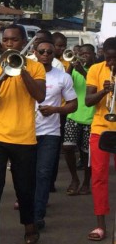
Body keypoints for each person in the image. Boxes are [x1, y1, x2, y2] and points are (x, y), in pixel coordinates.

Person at [0, 24, 46, 244]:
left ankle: (29, 224)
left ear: (23, 42)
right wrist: (3, 76)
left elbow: (40, 96)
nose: (8, 44)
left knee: (24, 189)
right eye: (5, 40)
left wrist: (22, 69)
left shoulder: (35, 67)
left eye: (14, 40)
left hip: (24, 137)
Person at [33, 41, 77, 230]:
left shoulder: (62, 77)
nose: (45, 54)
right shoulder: (24, 72)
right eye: (41, 51)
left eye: (49, 52)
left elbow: (73, 104)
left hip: (49, 133)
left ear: (54, 55)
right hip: (25, 132)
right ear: (35, 52)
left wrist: (55, 110)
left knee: (43, 173)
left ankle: (37, 215)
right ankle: (28, 207)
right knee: (27, 174)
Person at [84, 36, 116, 241]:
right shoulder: (96, 70)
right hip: (100, 129)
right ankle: (100, 224)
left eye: (115, 59)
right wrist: (105, 90)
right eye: (108, 57)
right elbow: (88, 101)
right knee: (98, 178)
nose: (111, 63)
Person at [63, 44, 96, 196]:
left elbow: (95, 87)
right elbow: (64, 82)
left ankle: (86, 182)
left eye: (87, 54)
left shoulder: (96, 70)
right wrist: (70, 66)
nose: (83, 56)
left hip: (90, 117)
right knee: (68, 148)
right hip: (73, 115)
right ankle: (74, 178)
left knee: (85, 154)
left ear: (94, 55)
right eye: (81, 53)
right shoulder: (75, 69)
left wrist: (83, 72)